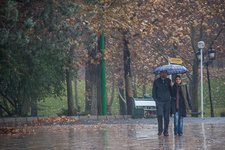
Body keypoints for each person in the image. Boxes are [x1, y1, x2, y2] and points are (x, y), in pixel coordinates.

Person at [152, 70, 173, 136]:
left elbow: (172, 92)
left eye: (165, 73)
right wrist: (156, 99)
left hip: (167, 101)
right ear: (160, 73)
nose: (164, 74)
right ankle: (160, 129)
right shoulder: (156, 81)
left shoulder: (168, 81)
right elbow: (154, 91)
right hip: (159, 101)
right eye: (163, 72)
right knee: (160, 115)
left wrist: (172, 86)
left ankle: (166, 131)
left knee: (167, 117)